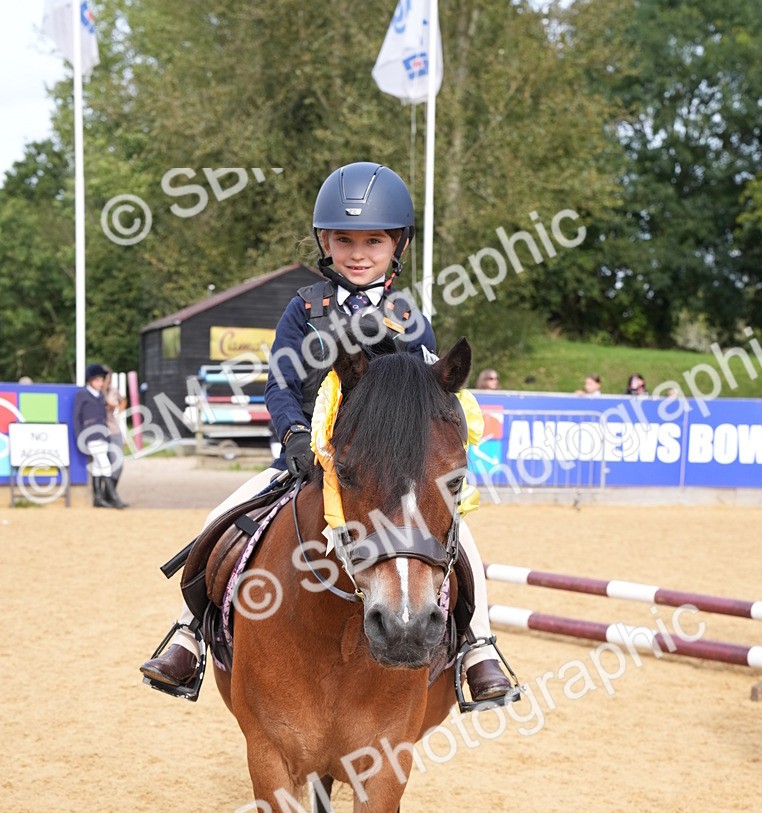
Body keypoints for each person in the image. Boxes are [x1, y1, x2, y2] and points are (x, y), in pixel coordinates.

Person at [140, 161, 516, 706]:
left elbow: (431, 396)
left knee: (460, 542)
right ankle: (187, 636)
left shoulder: (409, 319)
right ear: (325, 242)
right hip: (305, 461)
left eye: (373, 241)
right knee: (217, 522)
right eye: (345, 241)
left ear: (397, 245)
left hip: (384, 474)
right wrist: (294, 435)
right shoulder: (304, 310)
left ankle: (478, 649)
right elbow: (279, 383)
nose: (358, 254)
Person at [73, 363, 127, 509]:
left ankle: (98, 498)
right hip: (91, 436)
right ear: (90, 380)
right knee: (106, 465)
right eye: (97, 380)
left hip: (103, 434)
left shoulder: (101, 396)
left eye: (102, 380)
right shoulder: (82, 395)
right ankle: (113, 498)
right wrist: (80, 436)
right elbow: (77, 417)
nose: (101, 383)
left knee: (98, 467)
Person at [102, 370, 129, 503]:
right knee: (103, 465)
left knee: (118, 464)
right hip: (100, 431)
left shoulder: (113, 391)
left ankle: (109, 495)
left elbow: (123, 401)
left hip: (113, 430)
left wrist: (118, 411)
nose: (108, 382)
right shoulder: (97, 394)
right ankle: (108, 496)